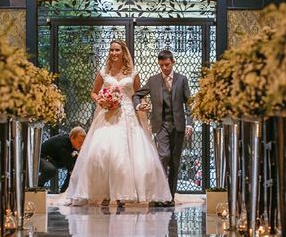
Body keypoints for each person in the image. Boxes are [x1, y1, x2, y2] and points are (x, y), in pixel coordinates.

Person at [66, 39, 172, 207]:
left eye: (117, 50)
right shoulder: (103, 72)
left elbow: (138, 95)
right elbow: (93, 93)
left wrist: (141, 105)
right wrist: (101, 99)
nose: (113, 53)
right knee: (102, 154)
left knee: (127, 156)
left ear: (123, 52)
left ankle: (122, 195)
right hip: (107, 115)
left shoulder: (133, 74)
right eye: (111, 50)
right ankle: (106, 193)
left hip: (128, 115)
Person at [134, 50, 193, 206]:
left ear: (173, 62)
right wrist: (139, 105)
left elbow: (189, 103)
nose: (164, 68)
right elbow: (137, 95)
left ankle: (170, 196)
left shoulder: (182, 80)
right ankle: (160, 193)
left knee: (175, 161)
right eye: (161, 65)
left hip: (179, 126)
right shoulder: (153, 80)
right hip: (161, 125)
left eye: (167, 65)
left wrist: (189, 123)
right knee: (163, 156)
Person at [38, 126, 86, 192]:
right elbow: (70, 167)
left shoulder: (72, 143)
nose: (82, 145)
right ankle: (37, 187)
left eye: (83, 143)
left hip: (54, 159)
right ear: (72, 138)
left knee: (76, 165)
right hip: (40, 158)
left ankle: (64, 191)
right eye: (80, 142)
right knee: (50, 170)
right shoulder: (63, 145)